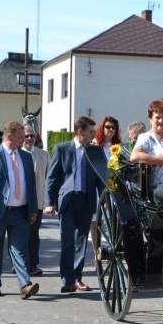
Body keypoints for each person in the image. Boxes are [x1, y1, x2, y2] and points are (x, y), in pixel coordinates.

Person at [0, 121, 40, 299]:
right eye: (21, 136)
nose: (24, 139)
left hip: (21, 211)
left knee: (20, 250)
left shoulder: (26, 157)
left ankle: (25, 284)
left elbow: (31, 184)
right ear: (10, 137)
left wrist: (33, 207)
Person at [44, 116, 106, 294]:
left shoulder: (95, 151)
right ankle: (68, 279)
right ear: (80, 132)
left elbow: (100, 178)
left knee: (81, 241)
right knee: (67, 240)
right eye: (90, 131)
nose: (93, 135)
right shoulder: (62, 149)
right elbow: (52, 178)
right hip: (68, 200)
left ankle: (77, 279)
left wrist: (105, 200)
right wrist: (49, 202)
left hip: (86, 200)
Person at [130, 100, 163, 204]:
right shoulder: (146, 137)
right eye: (157, 117)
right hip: (158, 189)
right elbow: (134, 156)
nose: (161, 121)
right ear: (150, 119)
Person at [21, 124, 50, 276]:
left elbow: (49, 178)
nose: (29, 139)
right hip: (19, 202)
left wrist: (49, 201)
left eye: (32, 136)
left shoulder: (43, 155)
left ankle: (33, 264)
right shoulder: (16, 154)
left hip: (37, 202)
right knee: (18, 235)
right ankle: (18, 264)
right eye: (26, 136)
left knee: (33, 235)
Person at [90, 116, 122, 247]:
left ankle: (110, 251)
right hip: (97, 186)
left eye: (113, 128)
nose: (111, 130)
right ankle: (96, 252)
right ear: (102, 128)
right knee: (95, 222)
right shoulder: (95, 145)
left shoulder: (117, 147)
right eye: (108, 127)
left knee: (111, 220)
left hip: (112, 186)